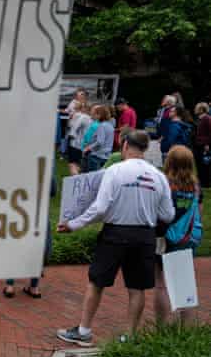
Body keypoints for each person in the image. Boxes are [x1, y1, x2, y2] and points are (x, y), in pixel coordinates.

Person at [57, 130, 175, 345]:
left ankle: (84, 331)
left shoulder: (114, 171)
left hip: (115, 234)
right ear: (145, 148)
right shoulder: (158, 176)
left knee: (96, 282)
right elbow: (168, 214)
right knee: (137, 288)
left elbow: (100, 207)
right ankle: (129, 336)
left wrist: (73, 224)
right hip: (144, 236)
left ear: (125, 146)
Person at [154, 145, 203, 324]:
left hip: (164, 237)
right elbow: (198, 211)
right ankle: (187, 329)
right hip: (187, 237)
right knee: (184, 283)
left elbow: (160, 213)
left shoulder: (164, 184)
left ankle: (163, 326)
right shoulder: (195, 186)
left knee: (160, 283)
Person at [83, 104, 114, 173]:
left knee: (91, 177)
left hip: (97, 156)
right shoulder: (110, 125)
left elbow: (100, 141)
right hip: (106, 156)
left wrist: (88, 148)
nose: (93, 115)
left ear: (99, 115)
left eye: (95, 114)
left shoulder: (102, 126)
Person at [66, 102, 91, 175]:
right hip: (85, 144)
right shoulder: (90, 118)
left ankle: (75, 183)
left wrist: (70, 136)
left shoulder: (82, 117)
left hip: (76, 144)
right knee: (78, 166)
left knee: (72, 165)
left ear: (83, 108)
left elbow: (73, 129)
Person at [194, 102, 211, 188]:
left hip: (204, 145)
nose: (195, 109)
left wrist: (207, 144)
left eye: (197, 108)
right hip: (198, 144)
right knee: (199, 164)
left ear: (201, 109)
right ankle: (201, 181)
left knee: (205, 164)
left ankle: (206, 183)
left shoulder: (207, 118)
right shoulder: (199, 119)